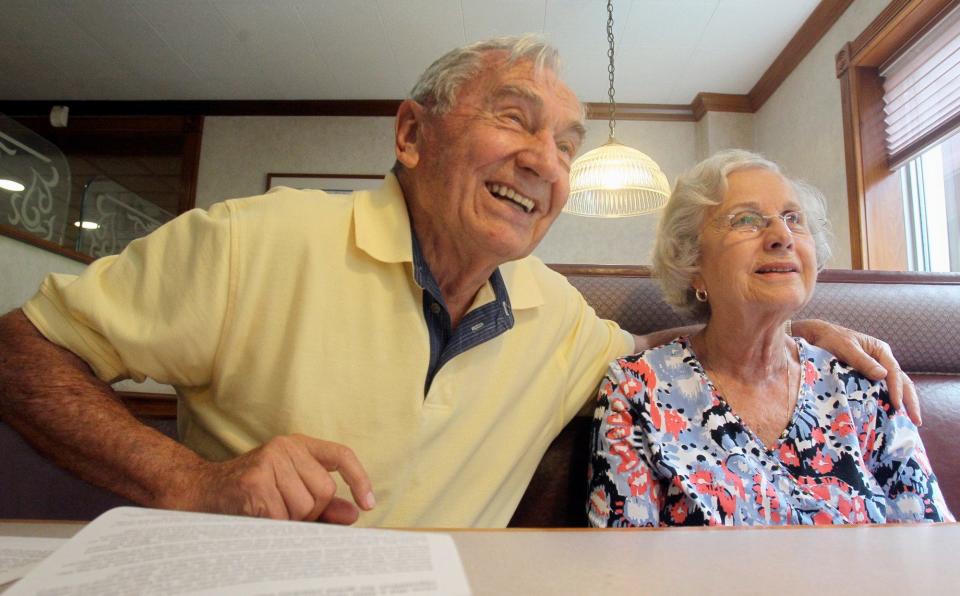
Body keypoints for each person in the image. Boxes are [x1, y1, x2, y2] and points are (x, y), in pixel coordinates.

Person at [0, 37, 916, 529]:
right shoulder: (253, 240)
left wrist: (796, 335)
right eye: (514, 121)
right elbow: (21, 350)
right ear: (411, 136)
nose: (545, 161)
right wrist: (191, 481)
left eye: (565, 145)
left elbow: (674, 358)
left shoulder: (556, 314)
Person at [587, 150, 952, 527]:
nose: (782, 236)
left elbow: (933, 549)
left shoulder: (862, 383)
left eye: (794, 219)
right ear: (692, 263)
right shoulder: (636, 390)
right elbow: (624, 573)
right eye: (746, 220)